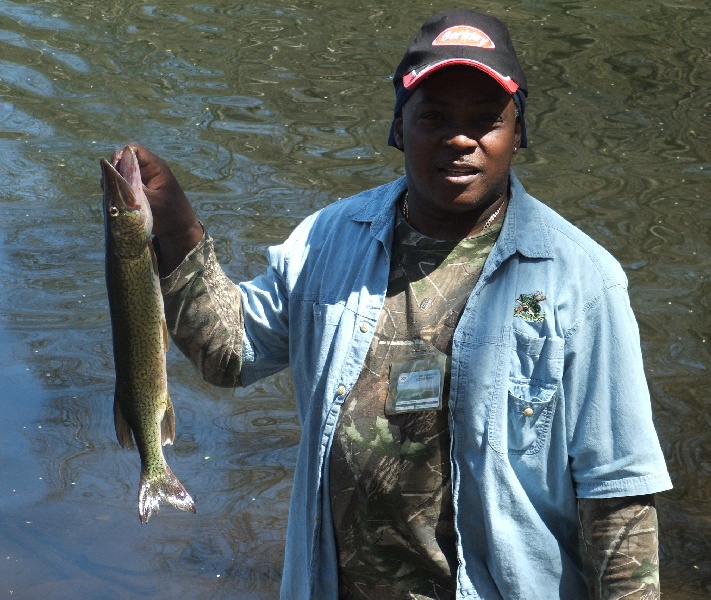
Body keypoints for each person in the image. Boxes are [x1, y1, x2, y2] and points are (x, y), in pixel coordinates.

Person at [122, 9, 672, 599]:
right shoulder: (326, 241)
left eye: (486, 120)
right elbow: (229, 355)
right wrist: (177, 229)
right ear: (398, 127)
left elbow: (617, 494)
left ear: (519, 134)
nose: (460, 138)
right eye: (433, 116)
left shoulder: (581, 282)